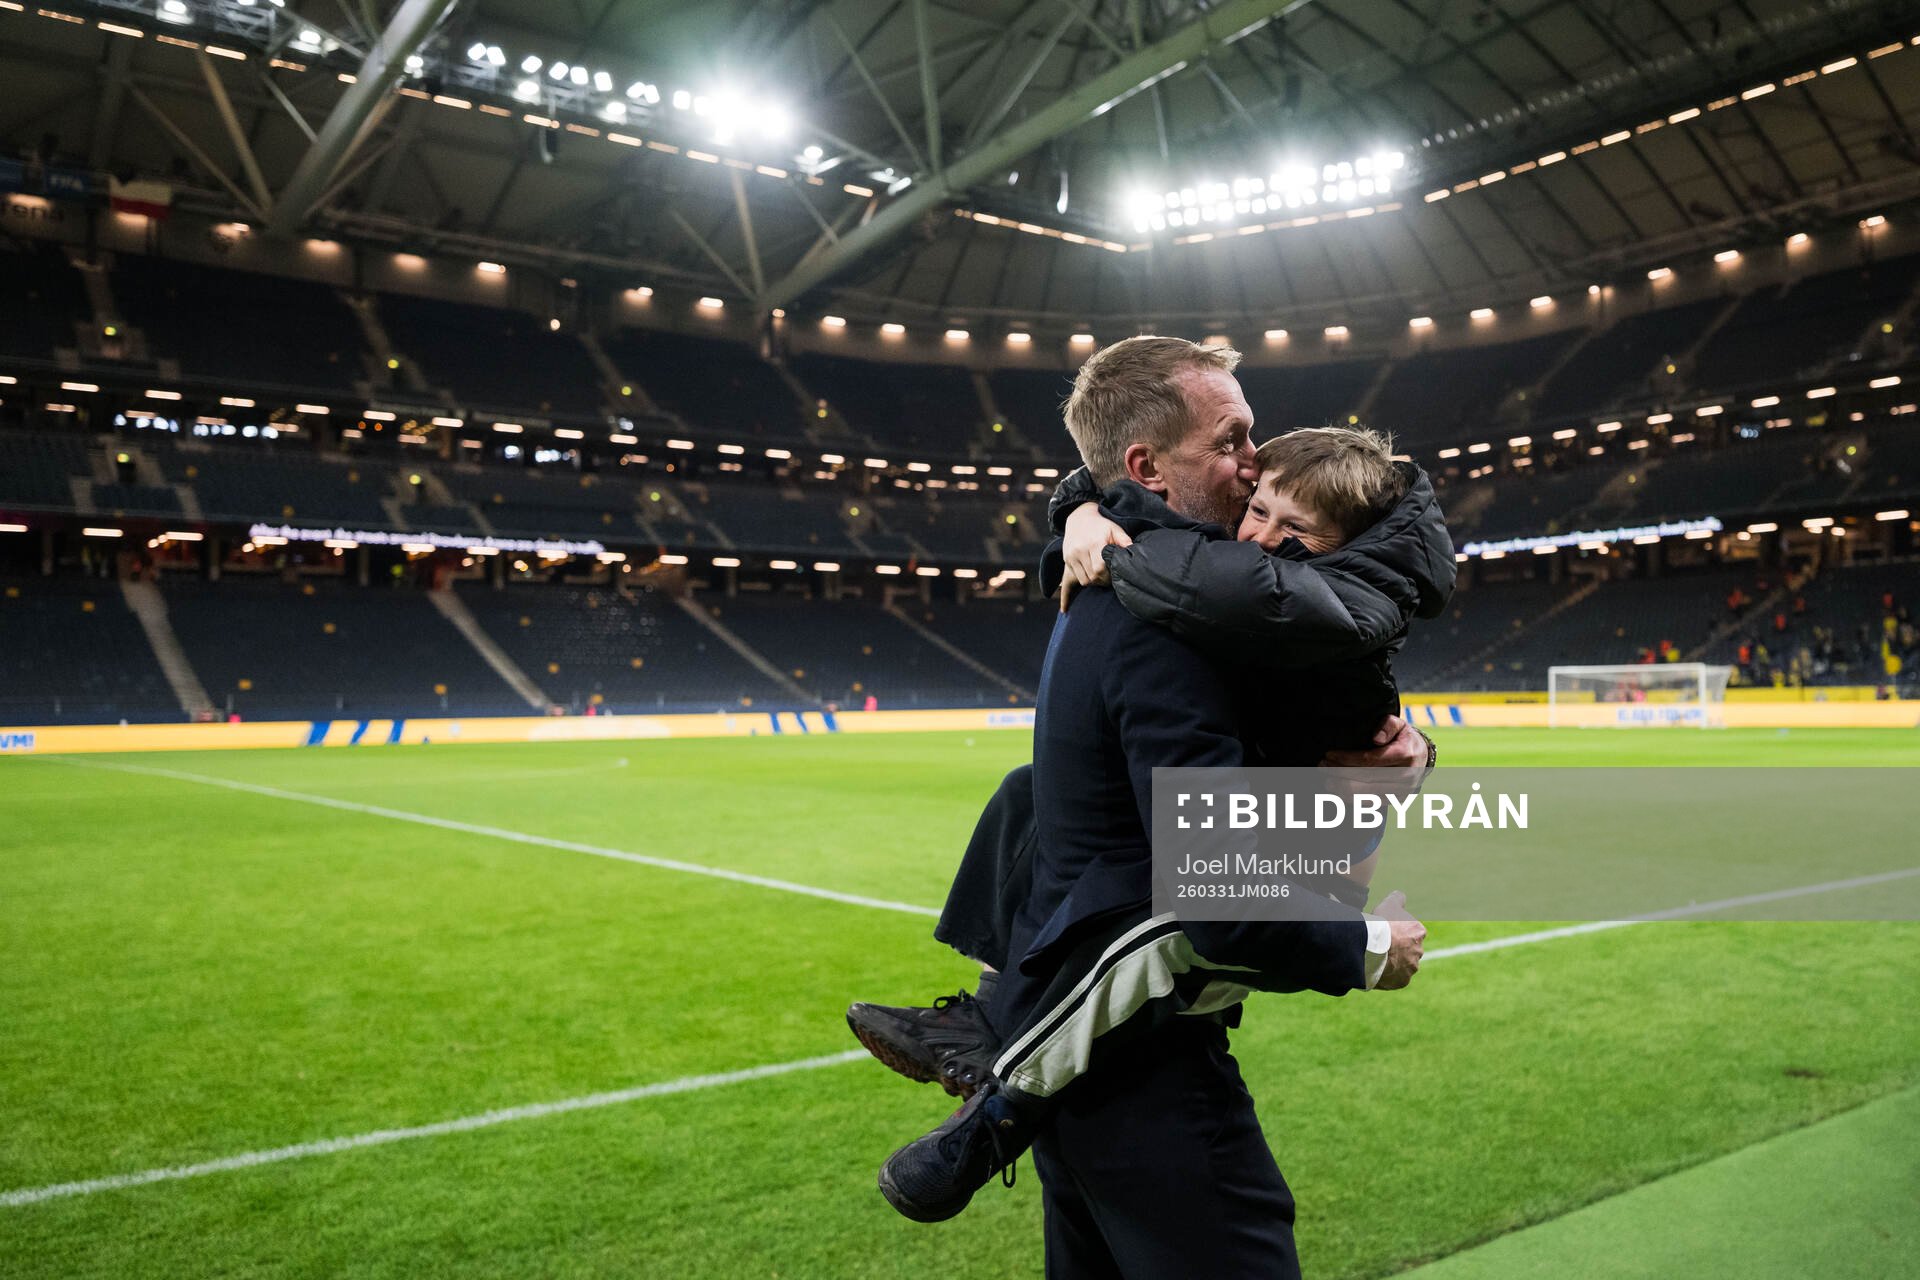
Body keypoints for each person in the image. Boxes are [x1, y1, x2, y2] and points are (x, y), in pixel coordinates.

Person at [851, 337, 1449, 1274]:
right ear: (1146, 467)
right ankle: (990, 1068)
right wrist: (1367, 945)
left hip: (1088, 1066)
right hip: (1146, 1081)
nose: (1253, 460)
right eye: (1233, 441)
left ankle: (989, 1031)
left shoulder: (1128, 582)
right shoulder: (1171, 620)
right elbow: (1216, 898)